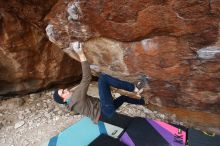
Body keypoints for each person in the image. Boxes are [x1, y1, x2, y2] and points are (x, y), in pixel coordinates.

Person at [53, 42, 147, 123]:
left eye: (63, 89)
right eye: (63, 92)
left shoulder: (71, 104)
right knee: (103, 78)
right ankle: (134, 88)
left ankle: (143, 101)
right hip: (104, 110)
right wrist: (80, 54)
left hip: (104, 115)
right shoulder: (75, 98)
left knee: (123, 98)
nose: (65, 90)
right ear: (64, 99)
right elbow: (86, 78)